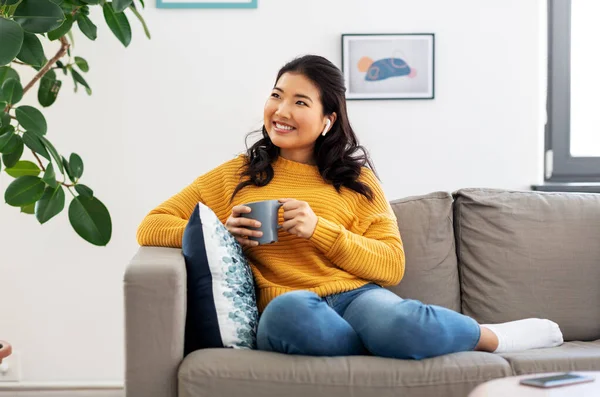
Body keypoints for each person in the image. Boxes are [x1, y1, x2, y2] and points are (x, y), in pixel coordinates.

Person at [137, 55, 563, 359]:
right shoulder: (238, 173)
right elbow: (152, 225)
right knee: (288, 315)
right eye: (276, 95)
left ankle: (493, 338)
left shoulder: (356, 181)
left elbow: (391, 265)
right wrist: (222, 231)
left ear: (327, 120)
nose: (281, 111)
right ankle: (383, 350)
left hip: (356, 298)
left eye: (300, 102)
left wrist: (319, 229)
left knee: (403, 323)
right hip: (288, 303)